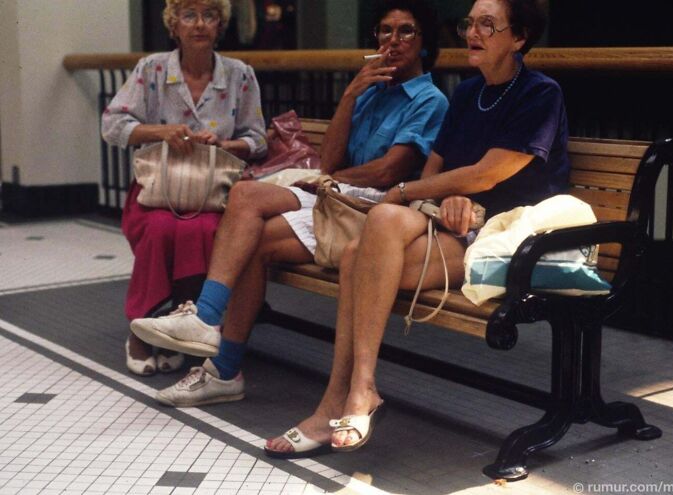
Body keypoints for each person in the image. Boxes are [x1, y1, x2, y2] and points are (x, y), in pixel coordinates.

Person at [264, 0, 571, 457]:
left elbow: (487, 175)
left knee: (362, 250)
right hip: (450, 227)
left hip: (507, 238)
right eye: (471, 23)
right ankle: (357, 391)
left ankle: (341, 398)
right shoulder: (468, 93)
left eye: (489, 24)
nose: (474, 32)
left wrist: (411, 191)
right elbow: (435, 169)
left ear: (519, 37)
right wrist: (432, 196)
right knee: (364, 244)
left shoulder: (539, 94)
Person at [129, 0, 449, 409]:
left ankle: (215, 343)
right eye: (385, 31)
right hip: (340, 192)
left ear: (424, 44)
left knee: (246, 205)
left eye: (406, 31)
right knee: (251, 227)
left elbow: (389, 170)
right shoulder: (370, 92)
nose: (393, 41)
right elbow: (331, 158)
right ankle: (216, 349)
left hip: (375, 206)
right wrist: (351, 93)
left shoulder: (430, 100)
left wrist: (330, 182)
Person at [101, 0, 267, 376]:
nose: (199, 24)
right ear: (173, 25)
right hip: (157, 190)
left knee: (205, 229)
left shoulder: (240, 74)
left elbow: (257, 139)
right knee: (160, 228)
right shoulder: (152, 69)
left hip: (212, 193)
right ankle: (141, 329)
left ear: (220, 24)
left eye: (209, 15)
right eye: (188, 15)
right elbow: (112, 126)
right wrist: (160, 132)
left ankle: (178, 326)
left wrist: (225, 145)